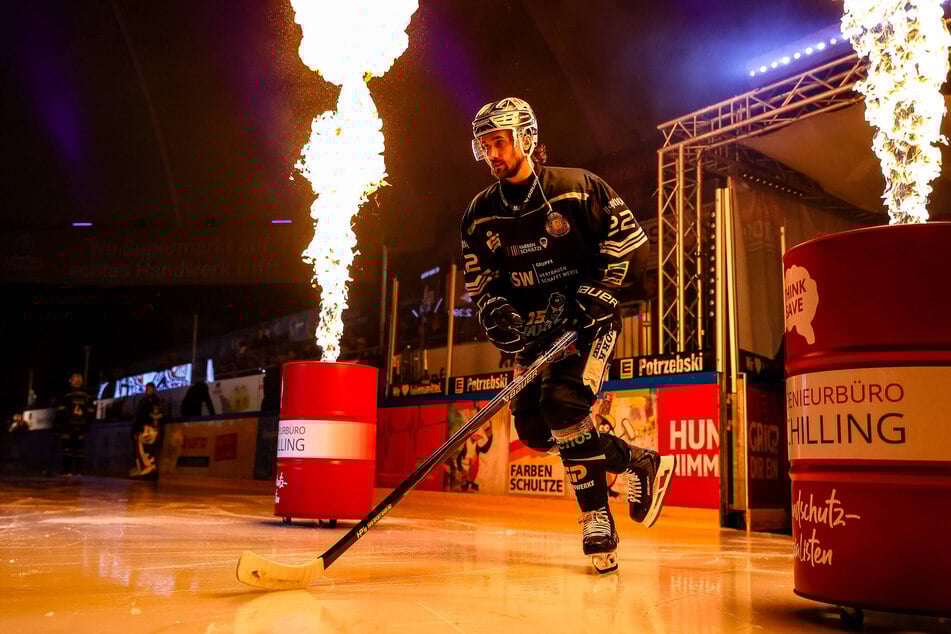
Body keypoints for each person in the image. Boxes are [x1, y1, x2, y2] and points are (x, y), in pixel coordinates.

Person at [461, 97, 676, 573]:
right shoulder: (478, 215)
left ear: (526, 139)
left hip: (586, 325)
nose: (492, 154)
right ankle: (636, 460)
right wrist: (494, 309)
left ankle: (597, 518)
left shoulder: (578, 189)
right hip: (535, 336)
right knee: (536, 432)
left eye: (499, 142)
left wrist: (601, 291)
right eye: (484, 145)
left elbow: (629, 244)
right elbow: (482, 284)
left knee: (563, 406)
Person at [54, 373, 95, 477]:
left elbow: (60, 411)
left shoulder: (66, 395)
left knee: (67, 449)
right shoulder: (87, 395)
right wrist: (87, 426)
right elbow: (91, 412)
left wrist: (58, 424)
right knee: (79, 449)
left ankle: (67, 470)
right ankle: (79, 471)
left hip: (68, 426)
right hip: (82, 426)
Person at [131, 383, 163, 478]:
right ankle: (143, 468)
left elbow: (158, 415)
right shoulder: (143, 401)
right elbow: (138, 416)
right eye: (146, 388)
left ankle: (149, 469)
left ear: (153, 389)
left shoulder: (156, 401)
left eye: (149, 388)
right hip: (142, 428)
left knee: (148, 449)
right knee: (140, 448)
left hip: (150, 429)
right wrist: (135, 429)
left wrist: (154, 424)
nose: (147, 390)